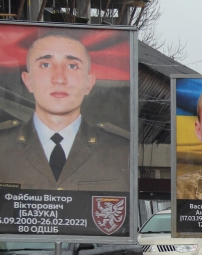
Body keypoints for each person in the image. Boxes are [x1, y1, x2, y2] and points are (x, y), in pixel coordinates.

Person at [0, 32, 129, 191]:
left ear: (89, 83)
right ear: (28, 81)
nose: (59, 78)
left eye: (72, 66)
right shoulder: (3, 145)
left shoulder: (121, 150)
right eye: (45, 64)